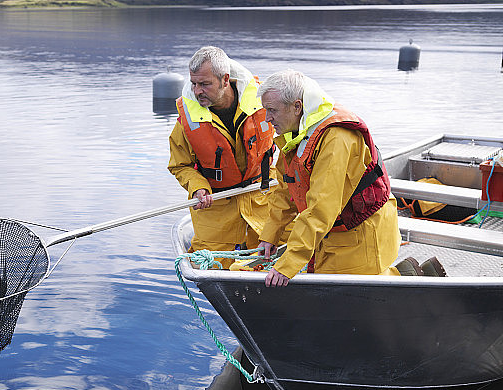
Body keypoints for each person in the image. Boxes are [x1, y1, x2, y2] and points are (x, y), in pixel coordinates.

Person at [253, 69, 413, 287]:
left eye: (272, 110)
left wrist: (288, 264)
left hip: (360, 236)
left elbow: (322, 208)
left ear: (297, 106)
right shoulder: (296, 130)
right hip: (332, 233)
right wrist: (270, 235)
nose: (267, 118)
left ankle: (412, 276)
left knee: (360, 298)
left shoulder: (336, 138)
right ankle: (410, 273)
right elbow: (285, 191)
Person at [168, 46, 276, 267]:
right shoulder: (187, 120)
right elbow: (179, 165)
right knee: (212, 265)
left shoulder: (264, 101)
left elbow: (287, 145)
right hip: (215, 209)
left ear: (225, 80)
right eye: (194, 84)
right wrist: (197, 186)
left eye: (205, 84)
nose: (198, 91)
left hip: (262, 199)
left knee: (276, 256)